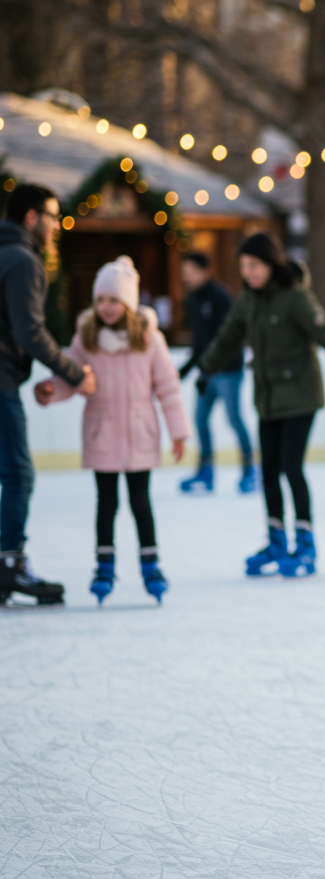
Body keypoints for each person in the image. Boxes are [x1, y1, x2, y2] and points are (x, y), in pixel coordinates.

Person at [196, 232, 325, 578]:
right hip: (268, 399)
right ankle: (276, 539)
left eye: (254, 266)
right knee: (269, 472)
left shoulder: (295, 299)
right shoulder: (248, 300)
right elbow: (228, 336)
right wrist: (205, 370)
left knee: (291, 468)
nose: (248, 273)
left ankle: (305, 543)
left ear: (271, 264)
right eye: (243, 267)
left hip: (301, 397)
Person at [36, 256, 189, 603]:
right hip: (102, 431)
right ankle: (103, 566)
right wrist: (50, 390)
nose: (106, 307)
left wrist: (178, 432)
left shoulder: (149, 340)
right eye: (101, 299)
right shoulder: (86, 338)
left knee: (140, 502)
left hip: (139, 432)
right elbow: (69, 377)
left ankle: (151, 564)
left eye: (114, 300)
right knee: (106, 503)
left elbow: (167, 387)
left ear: (129, 303)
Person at [0, 182, 97, 605]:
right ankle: (8, 564)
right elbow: (29, 331)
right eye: (53, 217)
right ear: (32, 217)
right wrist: (74, 374)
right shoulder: (23, 260)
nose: (58, 226)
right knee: (19, 473)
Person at [176, 251, 257, 494]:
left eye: (190, 272)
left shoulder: (220, 297)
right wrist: (187, 370)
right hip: (206, 372)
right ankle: (206, 470)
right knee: (200, 420)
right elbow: (200, 342)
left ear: (204, 271)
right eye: (184, 273)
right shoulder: (193, 300)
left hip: (228, 370)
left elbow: (229, 338)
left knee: (234, 419)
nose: (186, 277)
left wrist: (210, 367)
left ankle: (250, 469)